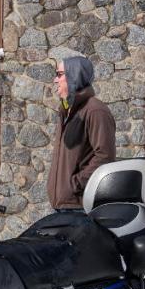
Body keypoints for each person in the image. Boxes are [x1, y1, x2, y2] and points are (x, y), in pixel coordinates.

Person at [47, 56, 116, 211]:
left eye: (59, 74)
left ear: (74, 75)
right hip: (64, 206)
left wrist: (75, 185)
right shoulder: (67, 111)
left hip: (81, 207)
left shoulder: (95, 111)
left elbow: (105, 156)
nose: (55, 80)